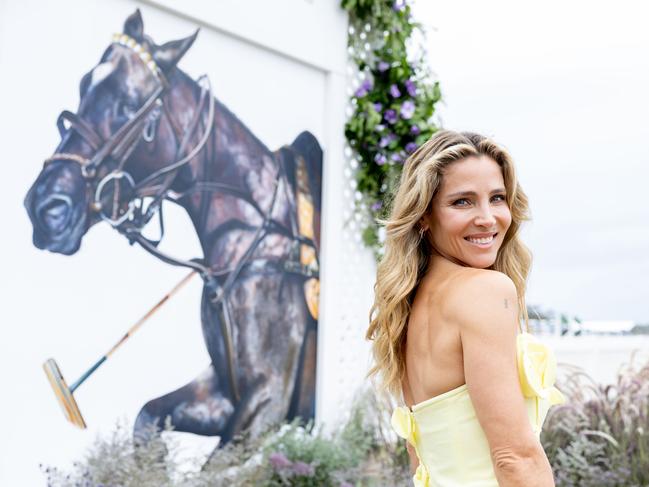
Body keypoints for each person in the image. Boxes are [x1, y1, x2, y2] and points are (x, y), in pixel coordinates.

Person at [365, 129, 565, 486]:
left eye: (498, 198)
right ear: (424, 215)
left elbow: (420, 459)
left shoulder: (410, 304)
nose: (487, 218)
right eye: (463, 202)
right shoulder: (485, 291)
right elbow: (515, 457)